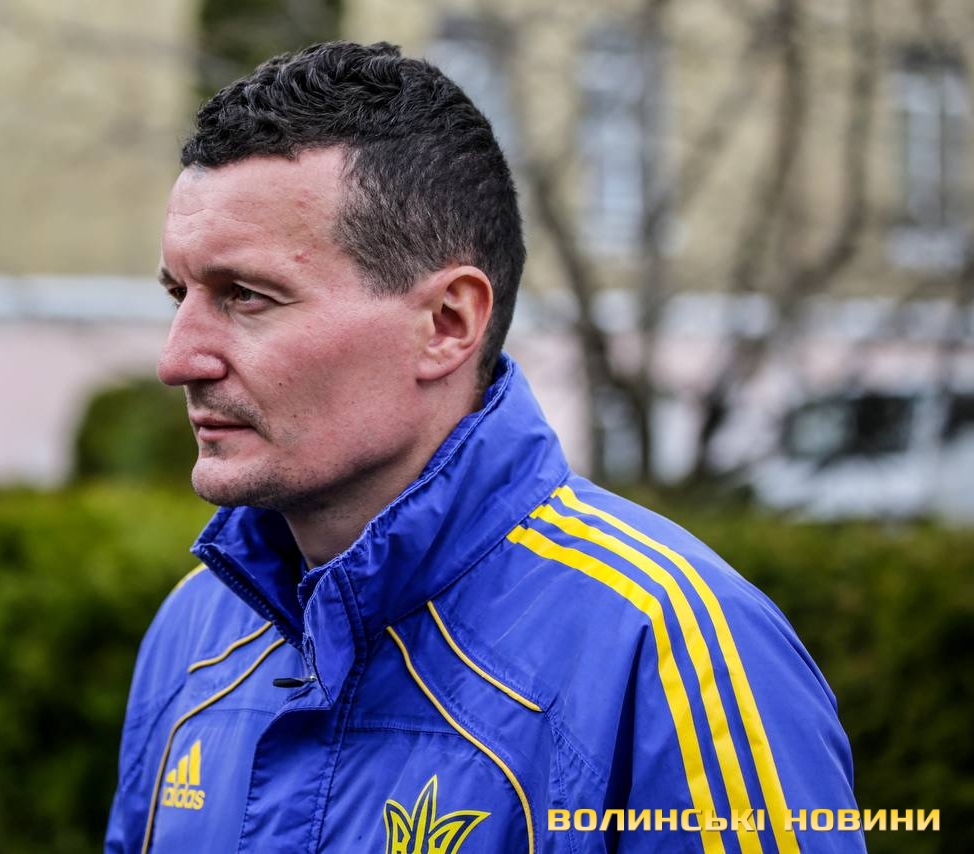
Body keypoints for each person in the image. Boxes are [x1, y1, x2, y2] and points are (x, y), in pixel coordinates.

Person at [105, 41, 865, 854]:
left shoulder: (669, 651)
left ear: (447, 323)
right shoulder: (194, 630)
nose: (177, 359)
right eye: (180, 295)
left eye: (247, 296)